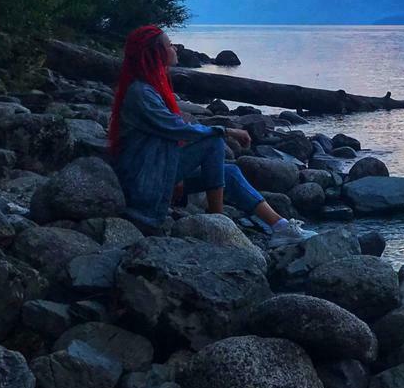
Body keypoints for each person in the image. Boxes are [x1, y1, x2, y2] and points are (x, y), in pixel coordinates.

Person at [107, 24, 316, 246]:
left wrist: (178, 172)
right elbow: (178, 129)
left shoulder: (148, 89)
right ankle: (217, 225)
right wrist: (226, 130)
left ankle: (280, 227)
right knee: (213, 140)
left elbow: (168, 136)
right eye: (170, 45)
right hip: (144, 185)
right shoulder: (141, 94)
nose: (176, 48)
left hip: (158, 172)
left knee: (231, 172)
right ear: (154, 53)